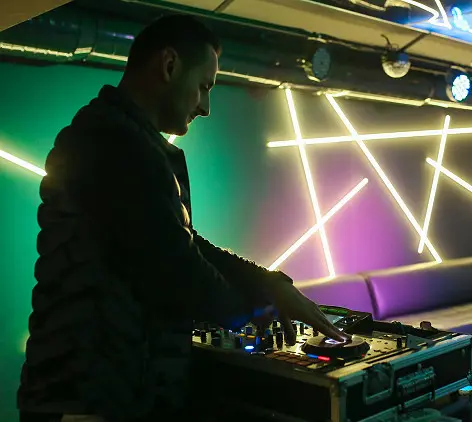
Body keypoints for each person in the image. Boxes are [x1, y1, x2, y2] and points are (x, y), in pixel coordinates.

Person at [17, 14, 349, 422]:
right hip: (86, 400)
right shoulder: (112, 142)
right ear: (170, 65)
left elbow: (183, 242)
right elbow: (177, 266)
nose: (205, 107)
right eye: (204, 86)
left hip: (102, 393)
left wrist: (270, 284)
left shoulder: (122, 138)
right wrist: (258, 313)